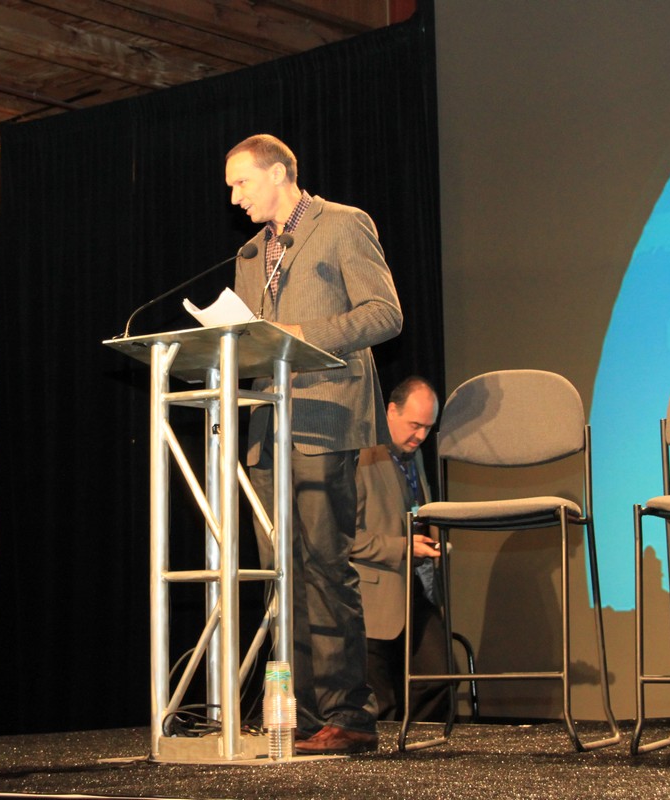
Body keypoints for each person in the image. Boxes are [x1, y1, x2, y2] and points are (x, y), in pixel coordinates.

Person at [225, 134, 402, 755]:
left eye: (241, 183)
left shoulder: (343, 225)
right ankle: (296, 716)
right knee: (279, 574)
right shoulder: (251, 253)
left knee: (325, 567)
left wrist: (301, 333)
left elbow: (385, 314)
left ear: (278, 173)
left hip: (325, 418)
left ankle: (349, 716)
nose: (234, 197)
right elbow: (250, 336)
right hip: (266, 427)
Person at [350, 377, 455, 722]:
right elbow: (342, 535)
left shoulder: (414, 455)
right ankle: (383, 753)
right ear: (390, 412)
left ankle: (417, 743)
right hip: (373, 594)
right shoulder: (360, 455)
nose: (420, 436)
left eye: (428, 428)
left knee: (439, 676)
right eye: (415, 425)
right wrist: (403, 547)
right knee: (380, 701)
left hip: (416, 587)